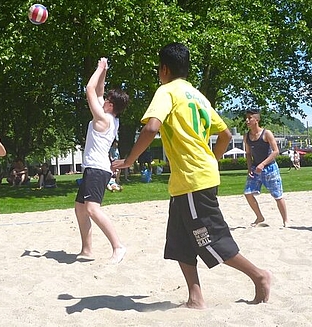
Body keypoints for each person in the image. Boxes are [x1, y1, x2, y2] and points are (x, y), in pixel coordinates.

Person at [112, 43, 271, 308]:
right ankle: (195, 298)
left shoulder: (167, 91)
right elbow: (225, 135)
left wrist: (129, 160)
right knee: (180, 242)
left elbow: (152, 127)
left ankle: (259, 275)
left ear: (164, 69)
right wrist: (212, 159)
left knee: (212, 239)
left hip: (193, 181)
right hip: (186, 182)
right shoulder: (198, 96)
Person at [73, 57, 129, 264]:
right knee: (80, 208)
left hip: (97, 169)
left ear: (110, 105)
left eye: (106, 100)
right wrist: (104, 69)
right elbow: (99, 90)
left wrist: (97, 68)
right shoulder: (111, 118)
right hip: (94, 168)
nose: (103, 99)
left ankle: (118, 246)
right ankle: (87, 250)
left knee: (92, 209)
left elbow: (90, 89)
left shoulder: (103, 118)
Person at [243, 109, 289, 227]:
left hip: (270, 168)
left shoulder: (266, 133)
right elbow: (248, 154)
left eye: (250, 118)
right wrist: (249, 169)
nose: (247, 120)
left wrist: (263, 164)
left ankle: (285, 220)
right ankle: (259, 217)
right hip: (255, 169)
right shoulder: (246, 136)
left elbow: (275, 151)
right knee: (248, 193)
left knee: (277, 195)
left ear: (257, 120)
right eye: (246, 118)